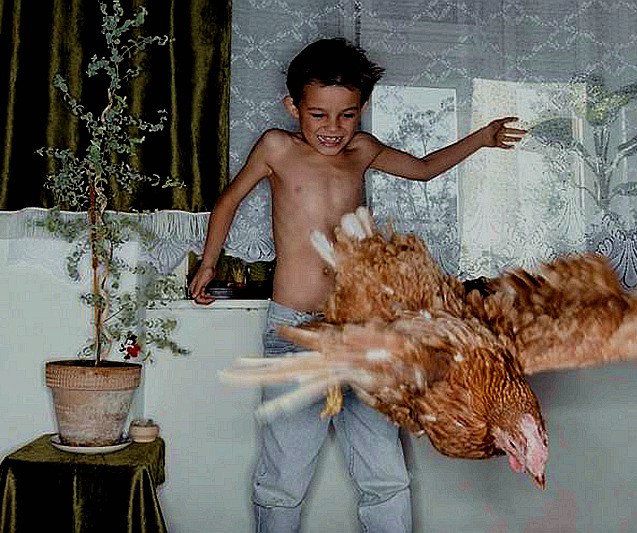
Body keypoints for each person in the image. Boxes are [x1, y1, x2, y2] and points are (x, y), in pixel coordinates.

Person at [188, 37, 525, 533]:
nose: (333, 128)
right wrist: (209, 264)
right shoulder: (277, 148)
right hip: (297, 333)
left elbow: (424, 170)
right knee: (284, 476)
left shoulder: (362, 150)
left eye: (346, 115)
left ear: (361, 109)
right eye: (318, 115)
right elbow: (229, 200)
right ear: (293, 107)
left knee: (384, 473)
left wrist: (482, 138)